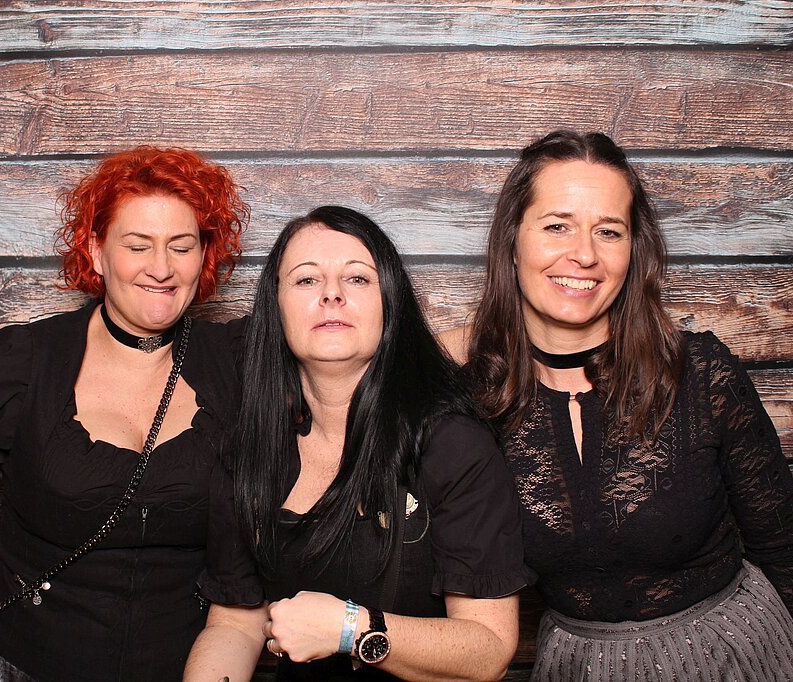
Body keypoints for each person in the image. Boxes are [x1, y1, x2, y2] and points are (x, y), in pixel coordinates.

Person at [0, 146, 248, 682]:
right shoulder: (24, 363)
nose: (162, 268)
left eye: (182, 246)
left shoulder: (238, 363)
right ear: (97, 253)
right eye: (138, 245)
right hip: (14, 660)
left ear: (203, 255)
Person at [461, 130, 793, 680]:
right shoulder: (473, 402)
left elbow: (789, 549)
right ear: (512, 240)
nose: (584, 254)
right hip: (578, 667)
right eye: (557, 226)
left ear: (633, 251)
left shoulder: (700, 373)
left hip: (736, 656)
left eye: (609, 231)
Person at [185, 206, 534, 681]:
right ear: (275, 308)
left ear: (390, 304)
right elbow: (234, 622)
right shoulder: (253, 444)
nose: (331, 294)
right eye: (307, 280)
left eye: (357, 278)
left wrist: (350, 629)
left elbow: (488, 650)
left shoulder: (452, 444)